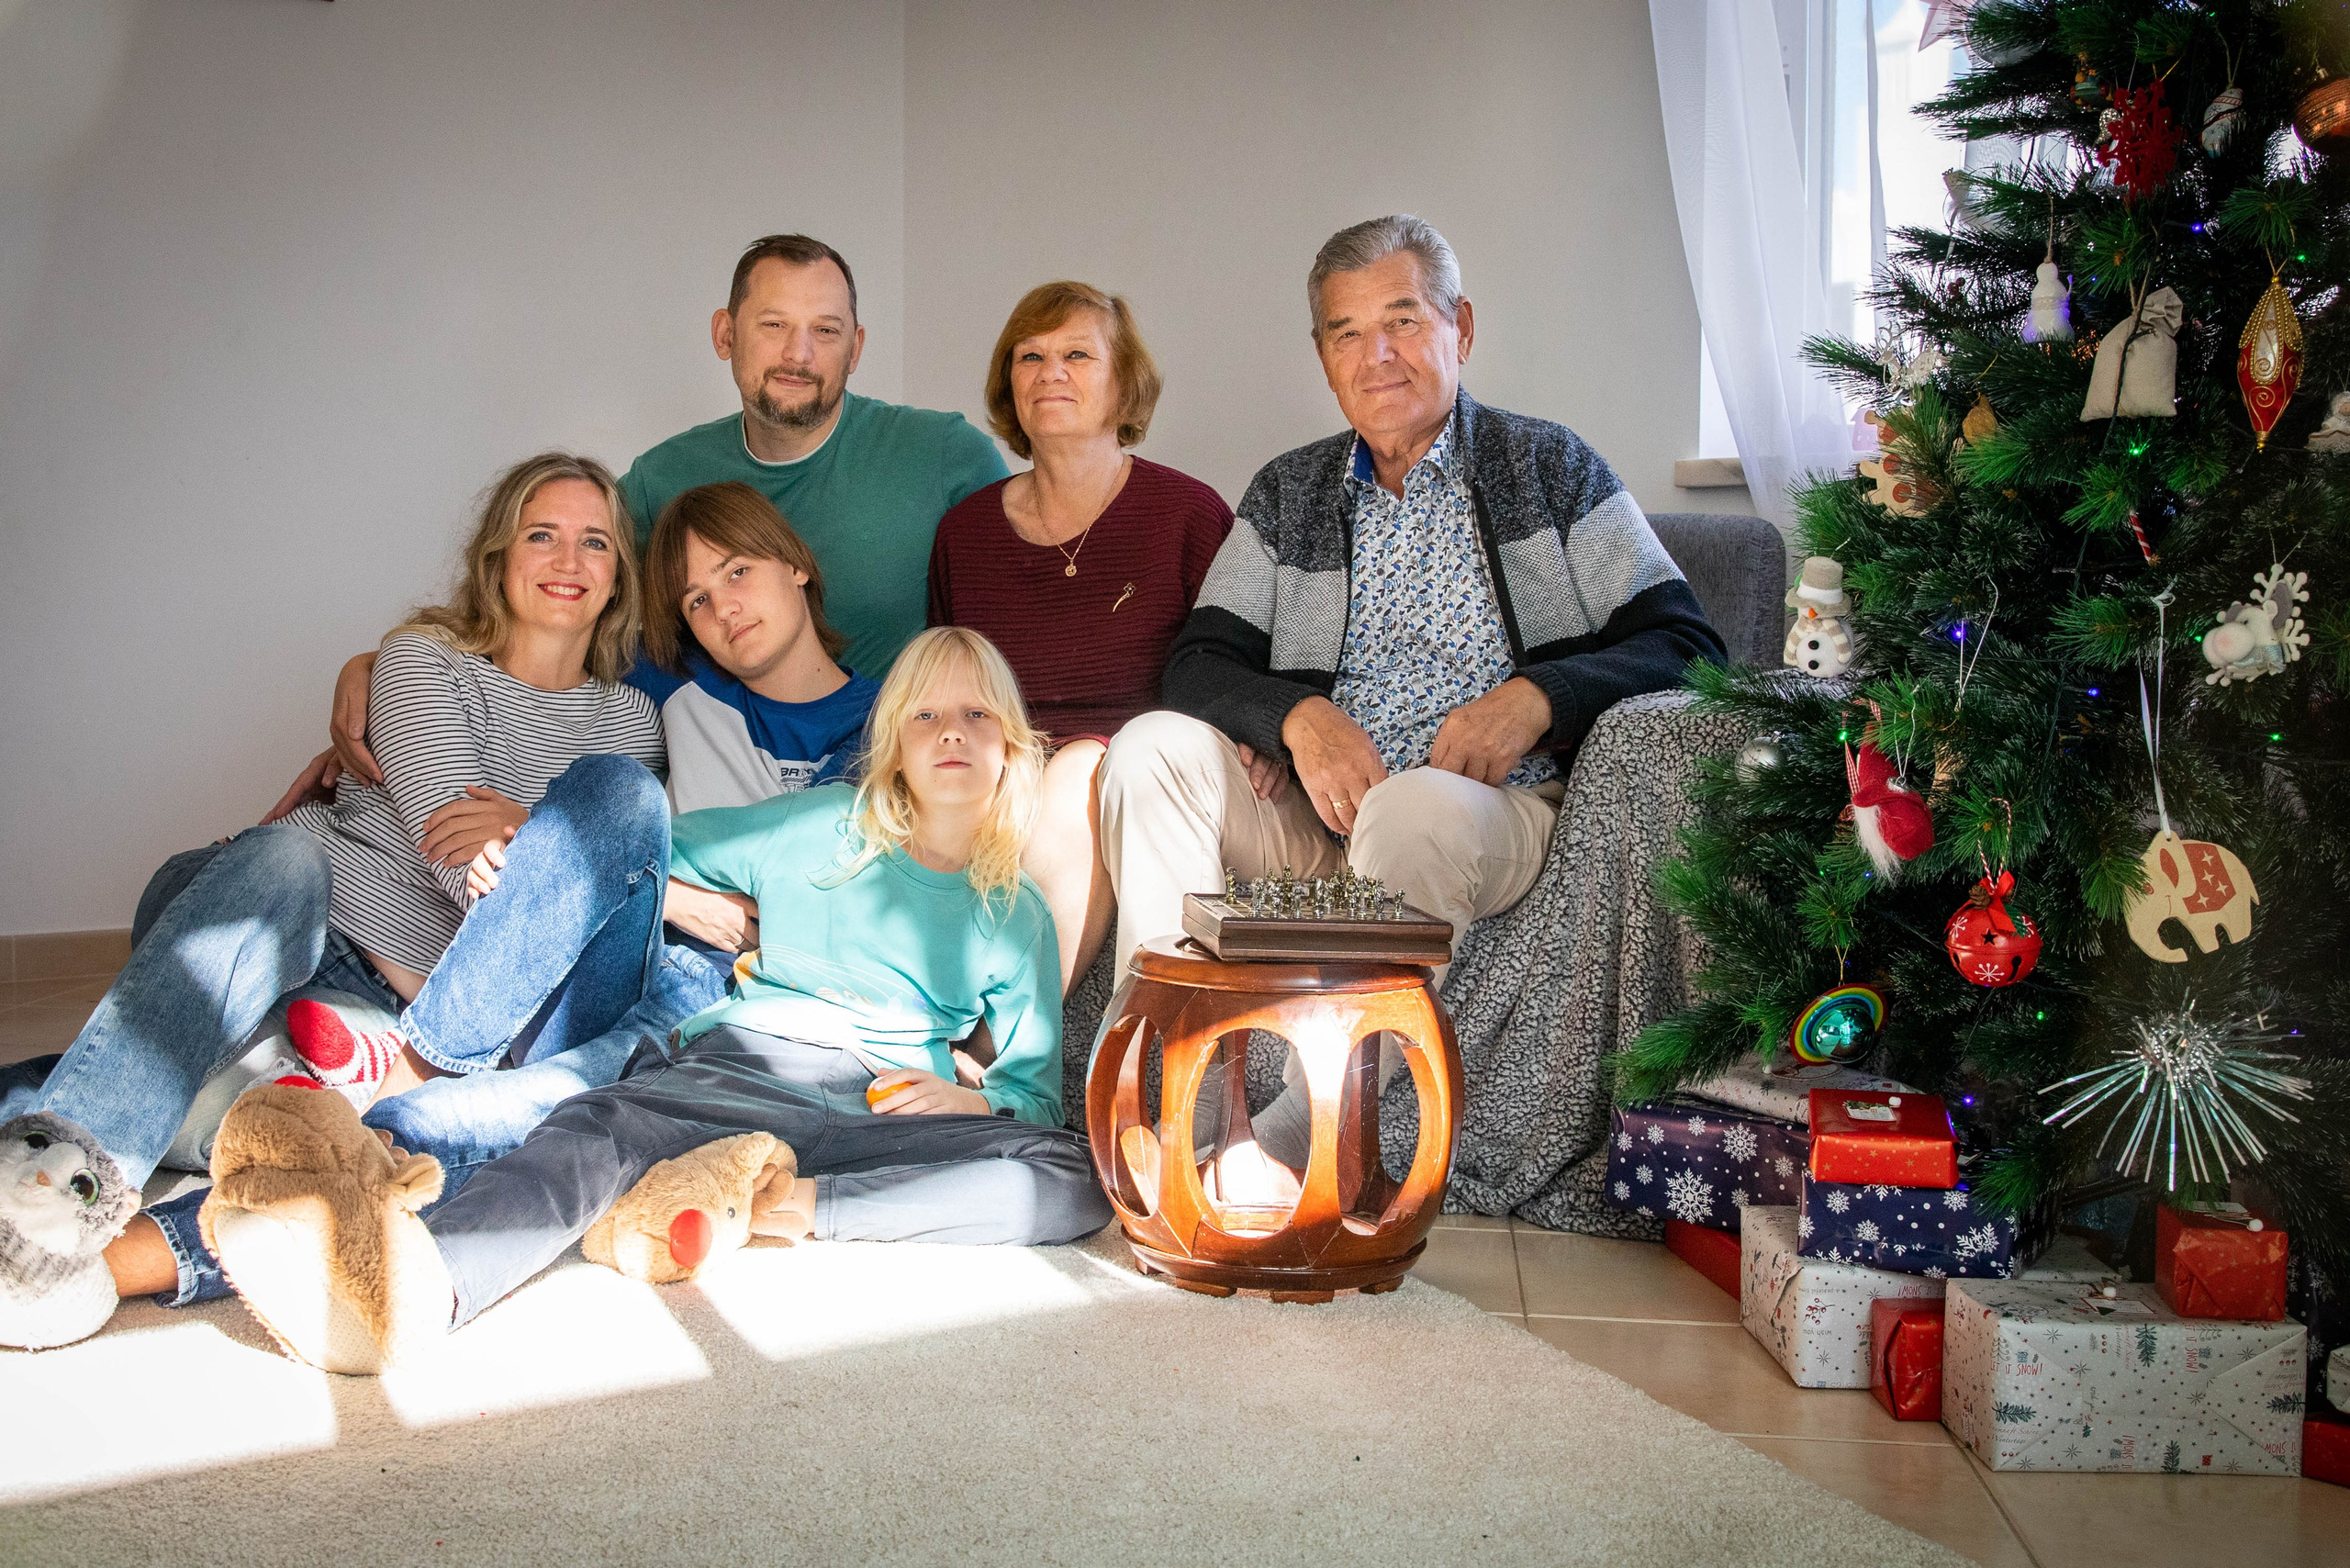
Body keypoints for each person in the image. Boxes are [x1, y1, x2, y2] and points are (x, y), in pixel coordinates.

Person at [207, 628, 1113, 1375]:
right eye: (926, 715)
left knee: (1073, 1180)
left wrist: (974, 1098)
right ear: (896, 747)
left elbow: (1030, 1096)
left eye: (976, 716)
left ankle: (787, 1204)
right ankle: (417, 1289)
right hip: (756, 1063)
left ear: (1010, 744)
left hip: (887, 1106)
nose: (952, 732)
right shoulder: (814, 828)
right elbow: (648, 845)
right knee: (599, 1127)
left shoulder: (1014, 913)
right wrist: (546, 833)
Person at [101, 483, 884, 1316]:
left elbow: (843, 903)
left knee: (532, 1107)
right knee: (208, 951)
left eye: (739, 572)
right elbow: (541, 690)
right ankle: (141, 1132)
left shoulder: (891, 717)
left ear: (800, 569)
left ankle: (167, 1234)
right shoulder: (677, 691)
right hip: (574, 949)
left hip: (699, 993)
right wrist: (376, 672)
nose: (723, 607)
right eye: (696, 596)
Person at [1095, 215, 1726, 1170]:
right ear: (1321, 357)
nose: (1375, 355)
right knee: (1147, 749)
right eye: (1346, 333)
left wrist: (1534, 698)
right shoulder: (1287, 493)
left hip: (1485, 815)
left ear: (1459, 328)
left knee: (1415, 808)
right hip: (1314, 819)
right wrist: (1295, 718)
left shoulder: (1547, 468)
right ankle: (1156, 1097)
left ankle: (1283, 1151)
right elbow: (1196, 665)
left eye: (1401, 320)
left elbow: (1686, 643)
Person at [0, 453, 667, 1349]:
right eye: (541, 533)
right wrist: (551, 850)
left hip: (402, 1011)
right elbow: (457, 858)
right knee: (277, 858)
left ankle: (184, 1135)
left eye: (595, 542)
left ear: (619, 573)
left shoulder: (634, 721)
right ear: (498, 556)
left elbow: (578, 879)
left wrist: (533, 831)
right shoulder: (418, 660)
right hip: (309, 931)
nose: (567, 558)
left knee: (200, 1086)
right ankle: (49, 1224)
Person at [274, 233, 1005, 818]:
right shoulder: (662, 479)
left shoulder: (941, 453)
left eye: (826, 329)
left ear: (858, 345)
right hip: (723, 766)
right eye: (774, 325)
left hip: (885, 758)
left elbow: (1021, 612)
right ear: (725, 334)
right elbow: (560, 583)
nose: (799, 353)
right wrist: (389, 670)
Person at [928, 281, 1231, 990]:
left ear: (1125, 388)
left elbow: (1231, 670)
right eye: (1029, 357)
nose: (1050, 372)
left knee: (1082, 770)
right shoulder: (964, 533)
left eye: (1077, 354)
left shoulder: (1187, 516)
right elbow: (950, 692)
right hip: (1000, 783)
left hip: (1139, 785)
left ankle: (1005, 1055)